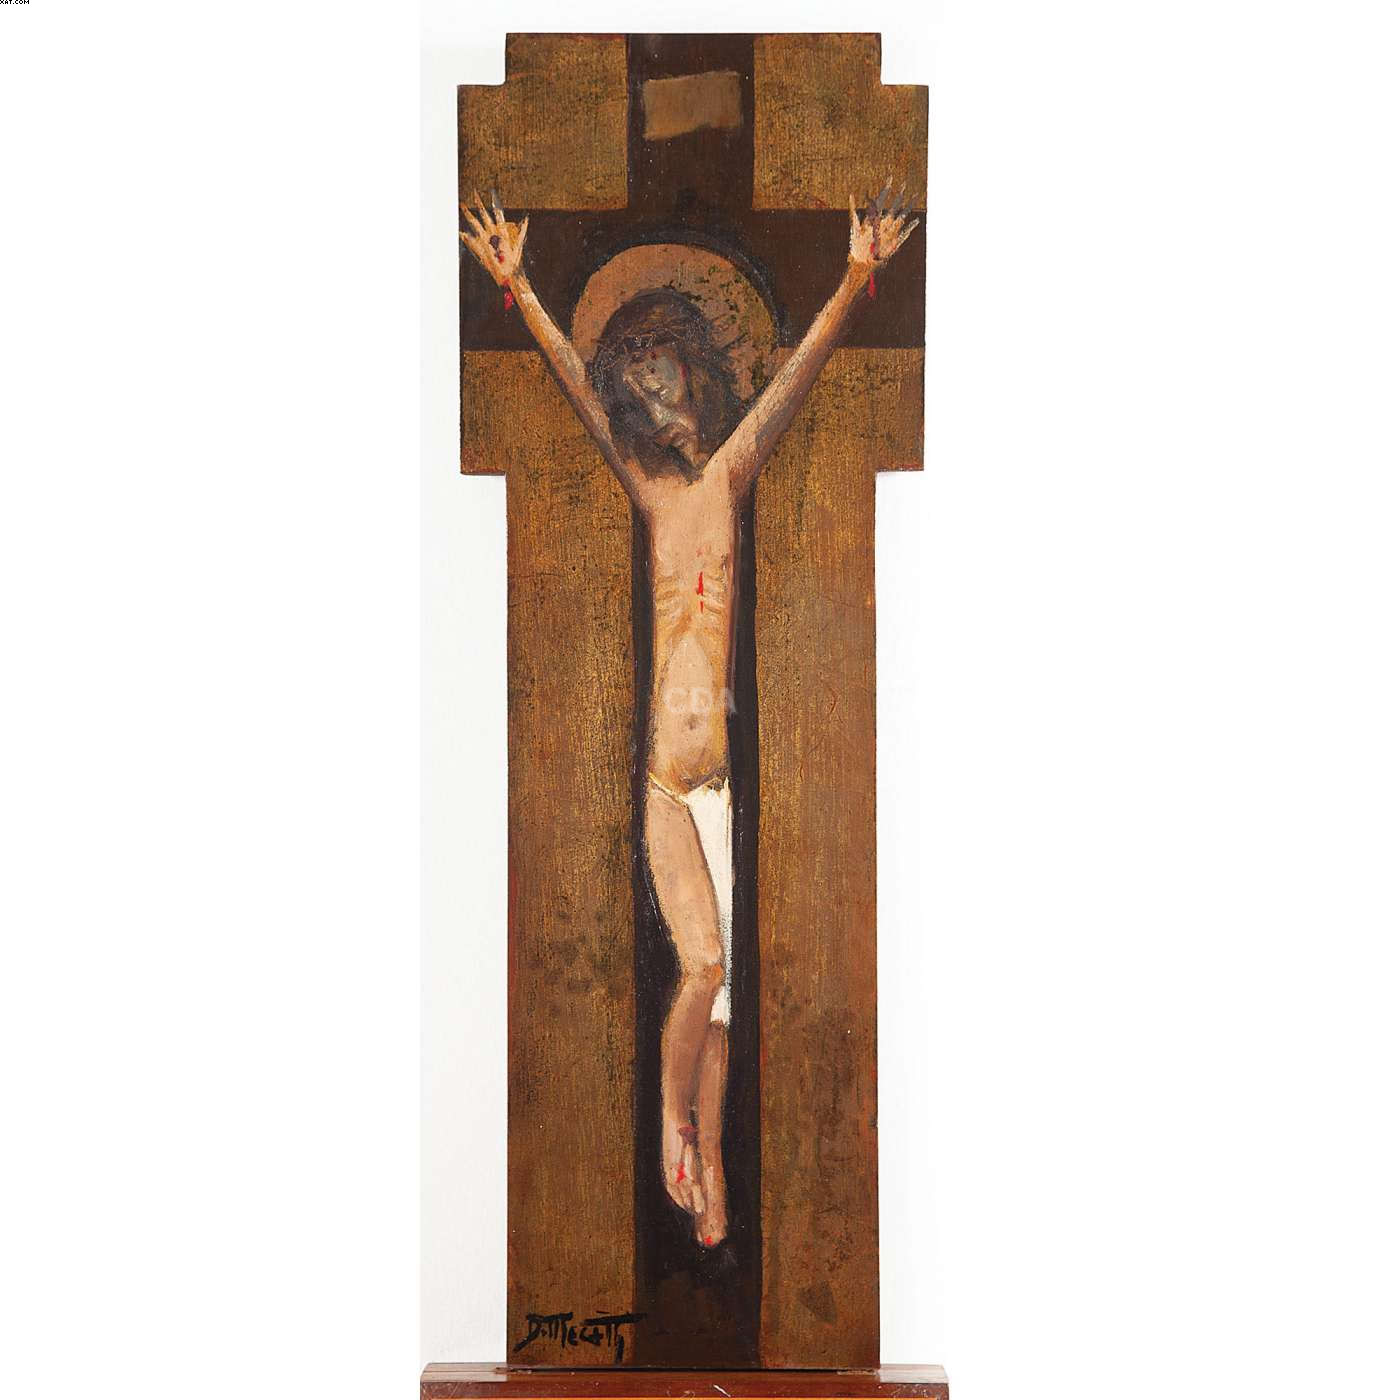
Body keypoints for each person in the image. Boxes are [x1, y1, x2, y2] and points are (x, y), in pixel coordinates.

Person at [460, 184, 918, 1250]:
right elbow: (576, 391)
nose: (660, 407)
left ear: (693, 376)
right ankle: (671, 1122)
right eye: (641, 393)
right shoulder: (650, 489)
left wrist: (857, 274)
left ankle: (708, 1171)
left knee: (723, 1005)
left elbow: (794, 382)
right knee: (702, 966)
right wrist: (519, 287)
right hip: (669, 786)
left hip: (722, 788)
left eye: (666, 383)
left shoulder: (728, 474)